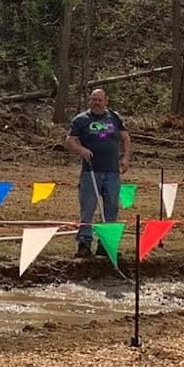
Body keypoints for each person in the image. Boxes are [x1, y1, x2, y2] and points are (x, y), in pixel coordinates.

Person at [65, 86, 129, 258]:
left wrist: (125, 158)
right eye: (94, 100)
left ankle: (106, 244)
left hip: (112, 171)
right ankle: (84, 243)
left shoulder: (114, 117)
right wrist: (81, 149)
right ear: (89, 101)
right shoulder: (81, 119)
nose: (97, 103)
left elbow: (125, 138)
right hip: (90, 171)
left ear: (106, 101)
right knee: (88, 208)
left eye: (100, 100)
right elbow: (70, 140)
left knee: (111, 207)